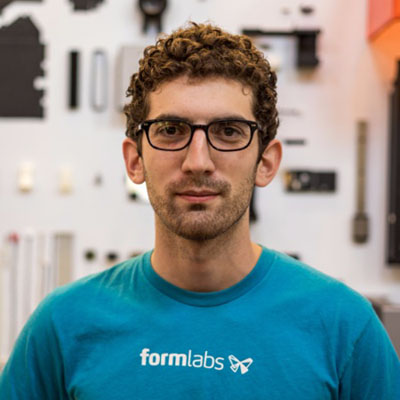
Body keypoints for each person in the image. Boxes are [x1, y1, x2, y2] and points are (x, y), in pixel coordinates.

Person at [0, 22, 399, 400]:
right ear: (135, 160)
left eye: (228, 132)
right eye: (171, 130)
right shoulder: (63, 326)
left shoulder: (344, 329)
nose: (198, 162)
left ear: (266, 162)